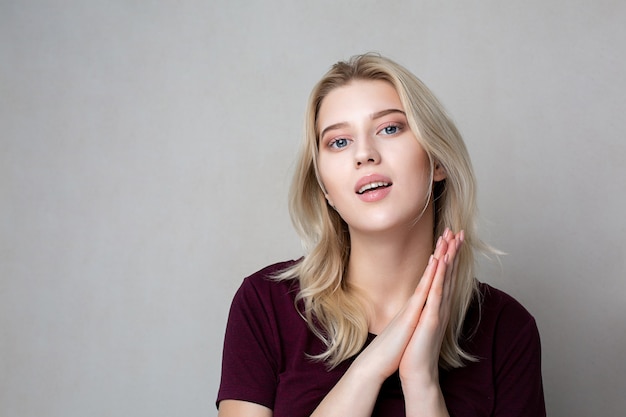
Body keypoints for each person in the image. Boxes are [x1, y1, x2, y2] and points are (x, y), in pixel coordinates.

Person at [216, 53, 546, 417]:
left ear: (437, 160)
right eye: (339, 142)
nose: (364, 154)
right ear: (325, 187)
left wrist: (421, 381)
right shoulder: (264, 304)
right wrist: (370, 368)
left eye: (390, 129)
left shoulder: (508, 330)